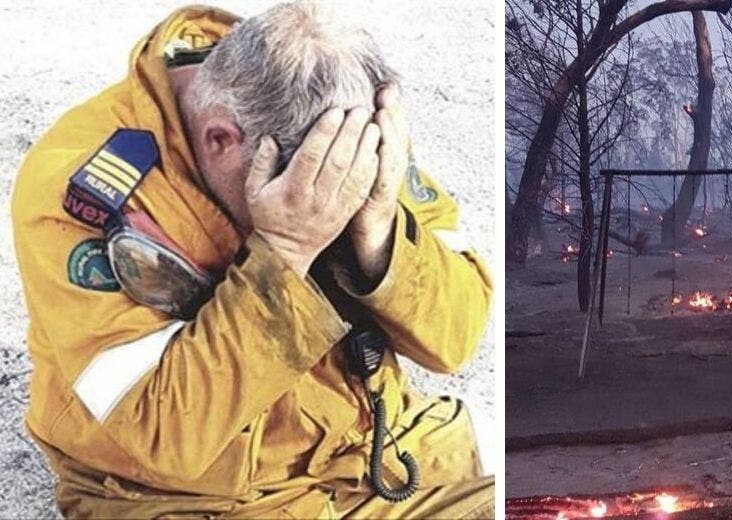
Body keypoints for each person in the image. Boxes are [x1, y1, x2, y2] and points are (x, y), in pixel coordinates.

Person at [10, 2, 493, 518]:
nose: (328, 205)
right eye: (308, 187)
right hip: (187, 495)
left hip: (366, 453)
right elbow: (161, 433)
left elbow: (456, 338)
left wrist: (378, 235)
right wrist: (286, 251)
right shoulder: (82, 193)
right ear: (222, 140)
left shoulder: (337, 129)